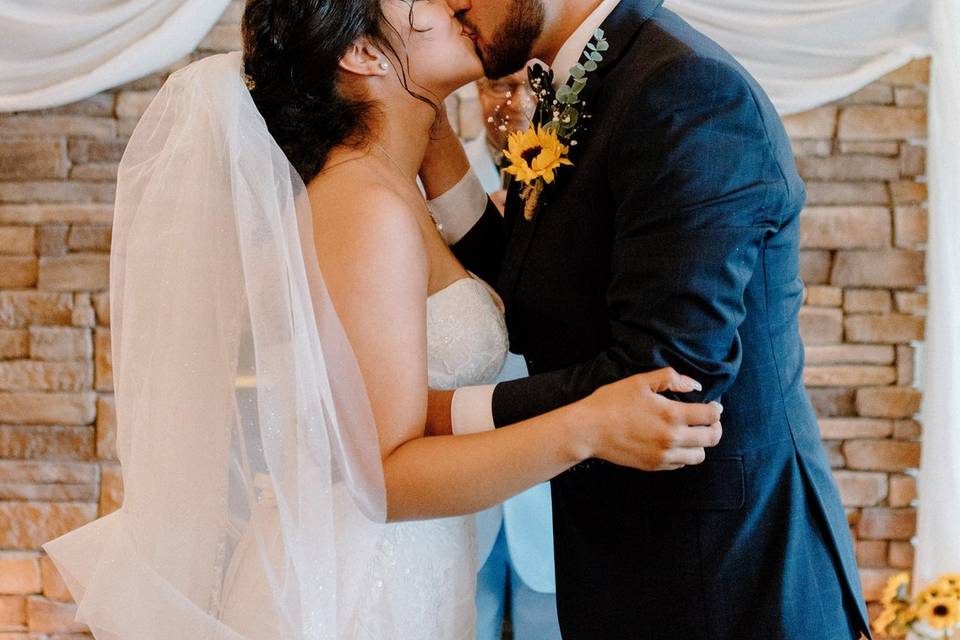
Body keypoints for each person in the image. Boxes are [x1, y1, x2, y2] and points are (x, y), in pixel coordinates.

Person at [42, 1, 722, 639]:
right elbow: (385, 477)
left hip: (411, 568)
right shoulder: (365, 208)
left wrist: (429, 130)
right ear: (365, 52)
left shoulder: (391, 190)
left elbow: (513, 278)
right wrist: (586, 426)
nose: (453, 2)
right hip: (358, 590)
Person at [420, 0, 870, 638]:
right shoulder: (593, 76)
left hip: (726, 577)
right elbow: (531, 279)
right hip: (632, 558)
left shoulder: (688, 92)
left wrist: (440, 415)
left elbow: (667, 374)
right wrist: (428, 134)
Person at [464, 70, 562, 640]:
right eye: (500, 86)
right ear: (476, 91)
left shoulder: (574, 183)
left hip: (546, 472)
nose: (517, 103)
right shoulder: (423, 183)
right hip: (456, 472)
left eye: (532, 86)